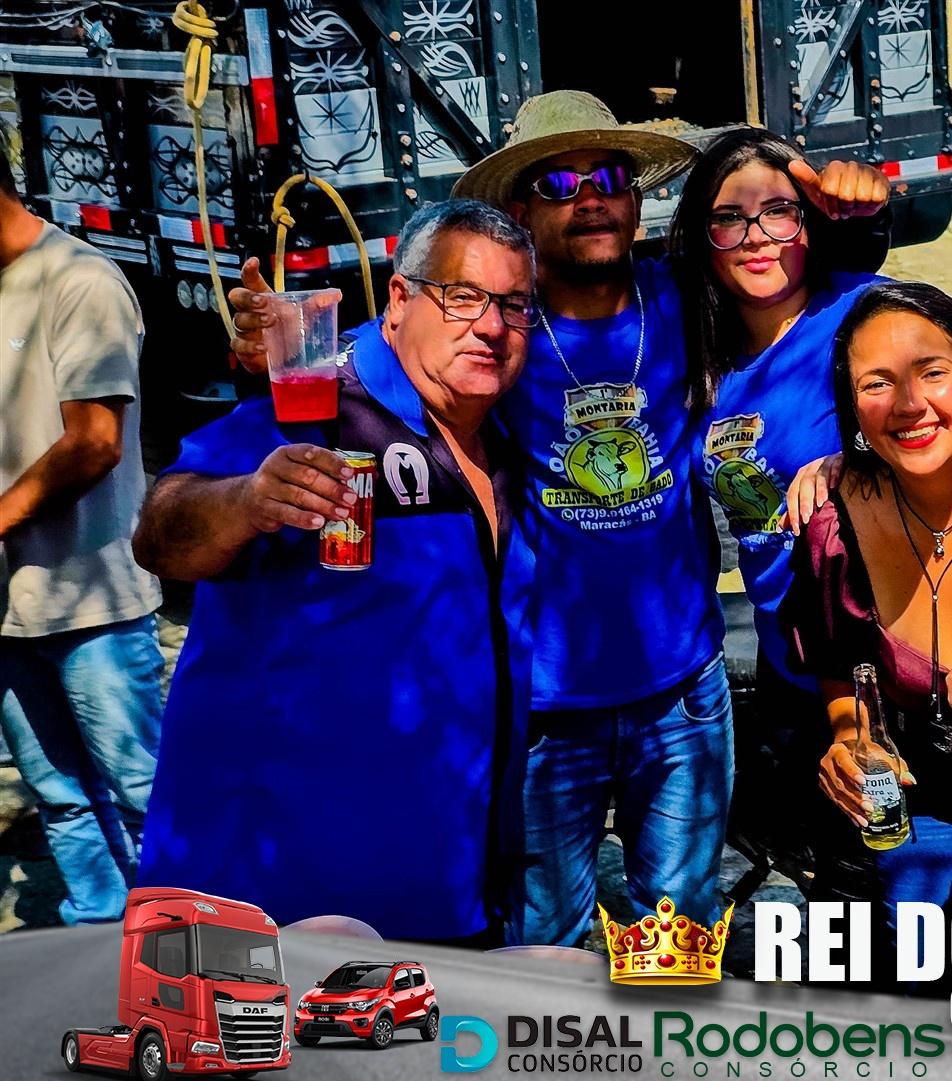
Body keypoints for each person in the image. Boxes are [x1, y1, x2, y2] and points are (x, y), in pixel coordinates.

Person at [226, 92, 894, 944]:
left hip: (684, 693)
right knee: (548, 942)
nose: (591, 198)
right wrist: (276, 344)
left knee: (679, 930)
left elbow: (808, 291)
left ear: (637, 199)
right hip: (547, 704)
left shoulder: (687, 300)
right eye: (560, 183)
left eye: (609, 177)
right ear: (521, 211)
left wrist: (860, 218)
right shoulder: (494, 323)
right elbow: (373, 344)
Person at [133, 200, 535, 940]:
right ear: (400, 298)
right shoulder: (319, 398)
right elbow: (160, 534)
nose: (490, 325)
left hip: (450, 887)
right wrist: (248, 500)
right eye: (463, 296)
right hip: (284, 907)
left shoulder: (510, 427)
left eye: (513, 305)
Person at [779, 282, 952, 983]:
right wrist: (849, 738)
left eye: (932, 372)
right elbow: (841, 667)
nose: (909, 404)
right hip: (924, 810)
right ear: (852, 410)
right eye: (876, 384)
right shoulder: (834, 522)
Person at [665, 128, 891, 892]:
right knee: (827, 888)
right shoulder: (703, 359)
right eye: (730, 218)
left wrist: (857, 458)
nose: (757, 235)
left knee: (882, 883)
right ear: (703, 239)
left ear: (810, 220)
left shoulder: (862, 312)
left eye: (779, 212)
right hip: (789, 672)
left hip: (878, 667)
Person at [0, 117, 164, 925]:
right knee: (62, 799)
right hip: (7, 613)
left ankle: (199, 954)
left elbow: (94, 441)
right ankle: (95, 952)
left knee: (145, 791)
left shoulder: (78, 280)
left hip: (92, 601)